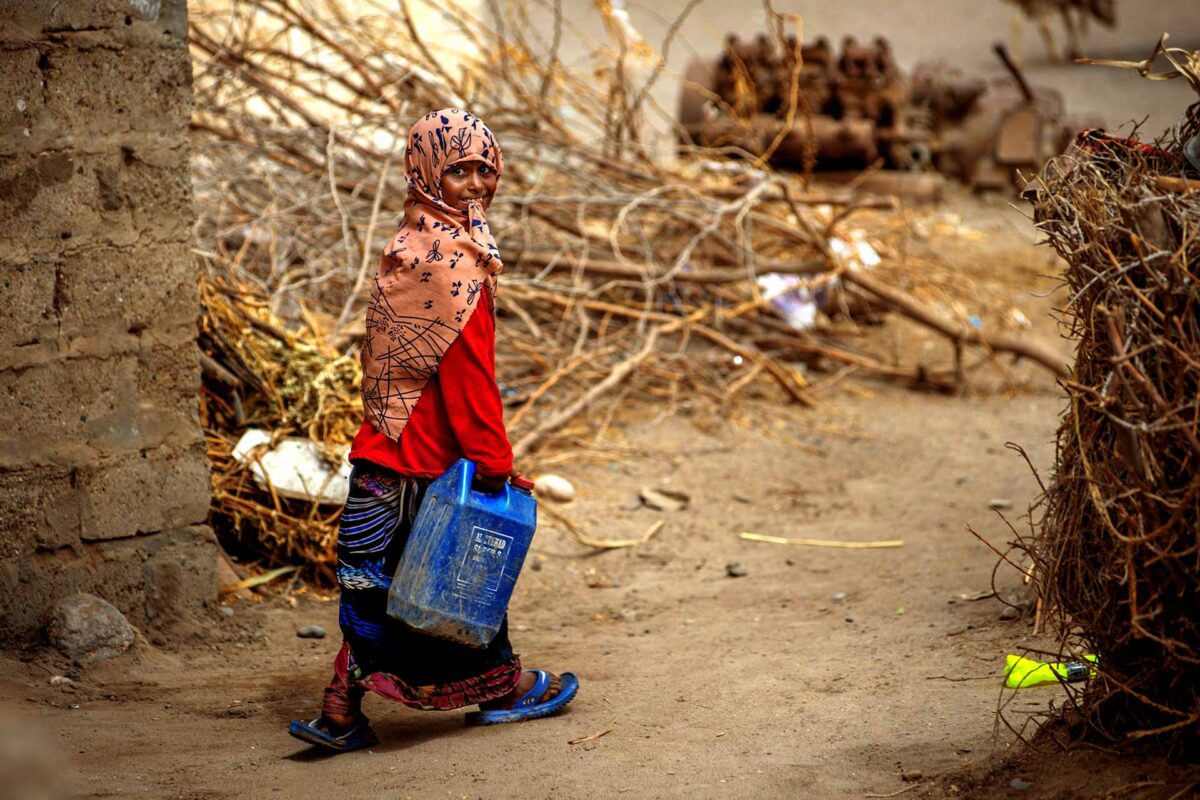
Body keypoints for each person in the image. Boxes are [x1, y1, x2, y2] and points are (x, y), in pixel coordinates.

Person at [289, 108, 579, 752]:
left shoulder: (409, 245)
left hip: (379, 457)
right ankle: (501, 690)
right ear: (425, 175)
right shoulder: (458, 268)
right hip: (427, 469)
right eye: (457, 171)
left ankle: (342, 708)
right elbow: (468, 380)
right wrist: (495, 462)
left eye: (485, 169)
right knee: (453, 586)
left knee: (377, 589)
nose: (474, 184)